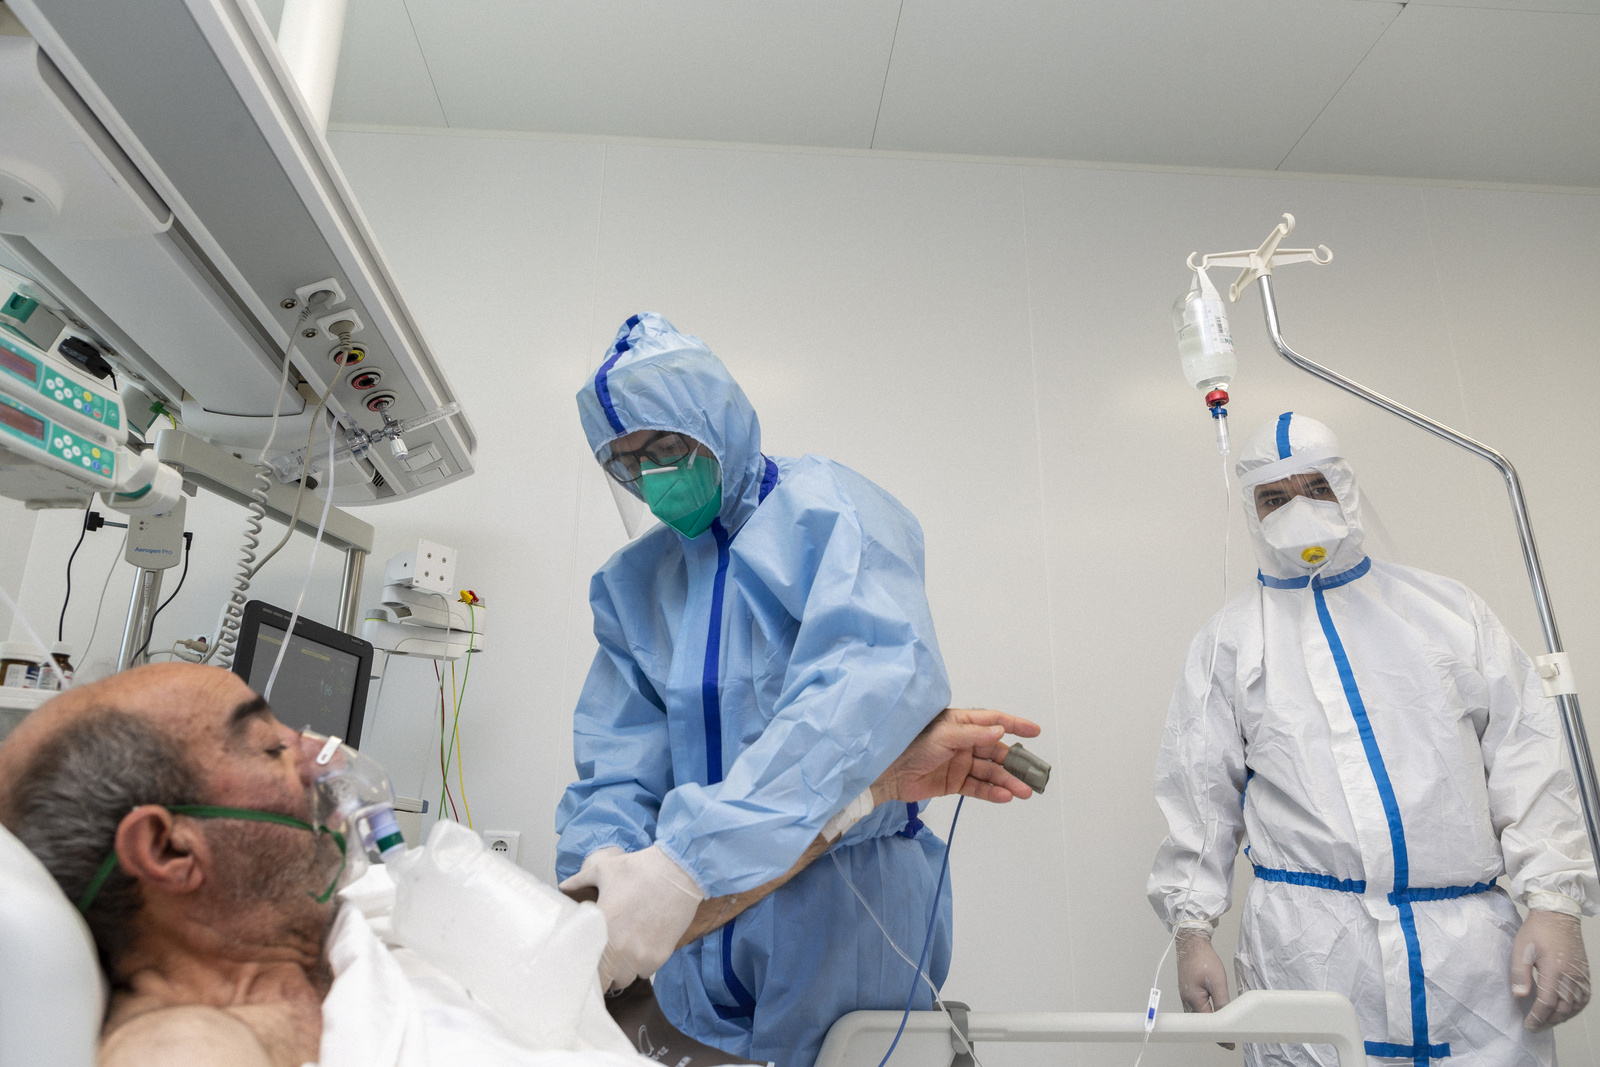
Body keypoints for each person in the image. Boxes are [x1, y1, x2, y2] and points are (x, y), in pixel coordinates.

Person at [0, 662, 1037, 1067]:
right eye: (268, 745)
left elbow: (645, 918)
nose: (321, 755)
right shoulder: (198, 1033)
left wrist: (868, 789)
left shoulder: (375, 915)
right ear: (169, 846)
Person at [558, 313, 975, 1067]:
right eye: (629, 464)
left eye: (665, 449)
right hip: (693, 934)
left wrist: (690, 857)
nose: (652, 479)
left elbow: (857, 698)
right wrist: (604, 876)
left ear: (717, 423)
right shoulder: (634, 585)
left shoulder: (827, 514)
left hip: (846, 907)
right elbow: (618, 758)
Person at [1148, 411, 1596, 1067]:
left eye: (1316, 487)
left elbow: (1530, 761)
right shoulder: (1230, 640)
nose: (1296, 510)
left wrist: (1556, 905)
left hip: (1467, 955)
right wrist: (1192, 932)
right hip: (1311, 952)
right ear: (1251, 508)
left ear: (1346, 487)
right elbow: (1199, 792)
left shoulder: (1448, 612)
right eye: (1274, 497)